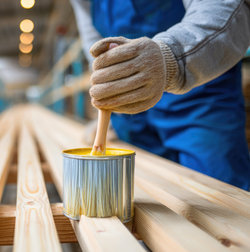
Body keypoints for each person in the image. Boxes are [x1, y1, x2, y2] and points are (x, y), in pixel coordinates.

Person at [70, 0, 250, 190]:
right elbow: (93, 38)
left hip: (200, 93)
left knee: (220, 197)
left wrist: (171, 58)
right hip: (132, 107)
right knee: (145, 191)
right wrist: (114, 85)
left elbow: (225, 6)